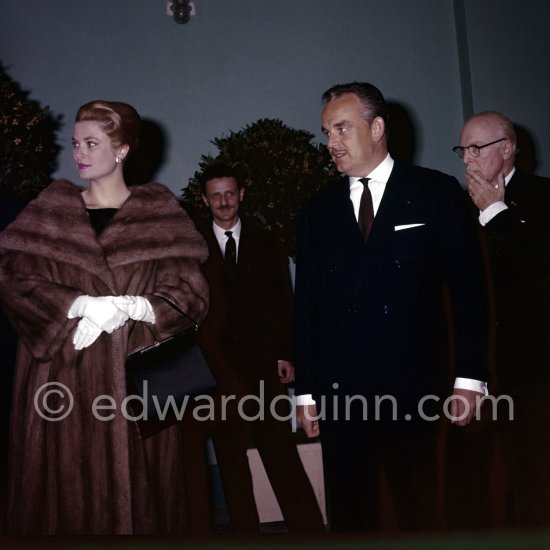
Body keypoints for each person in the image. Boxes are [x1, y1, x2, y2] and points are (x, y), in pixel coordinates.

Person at [0, 100, 209, 534]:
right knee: (63, 506)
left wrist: (135, 306)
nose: (79, 153)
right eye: (75, 143)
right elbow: (14, 280)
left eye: (91, 143)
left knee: (143, 504)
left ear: (122, 150)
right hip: (58, 389)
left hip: (135, 389)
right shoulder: (48, 213)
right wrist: (77, 305)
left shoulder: (159, 215)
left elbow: (190, 294)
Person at [293, 82, 488, 532]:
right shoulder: (316, 211)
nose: (330, 143)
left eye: (342, 128)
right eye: (326, 132)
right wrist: (305, 392)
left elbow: (469, 292)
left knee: (421, 508)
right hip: (341, 391)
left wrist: (470, 379)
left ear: (377, 127)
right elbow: (306, 307)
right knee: (350, 515)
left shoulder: (434, 193)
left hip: (416, 385)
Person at [183, 163, 325, 536]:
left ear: (241, 194)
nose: (223, 202)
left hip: (263, 367)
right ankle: (245, 538)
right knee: (230, 462)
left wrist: (285, 354)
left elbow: (283, 300)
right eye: (215, 195)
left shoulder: (266, 241)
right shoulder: (192, 248)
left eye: (230, 193)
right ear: (204, 199)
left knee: (280, 454)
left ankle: (309, 534)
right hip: (215, 372)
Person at [456, 111, 550, 528]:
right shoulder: (457, 207)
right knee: (484, 484)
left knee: (534, 479)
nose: (467, 159)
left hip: (533, 370)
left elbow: (537, 272)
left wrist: (495, 211)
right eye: (463, 150)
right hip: (479, 370)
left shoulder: (542, 197)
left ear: (507, 149)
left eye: (477, 148)